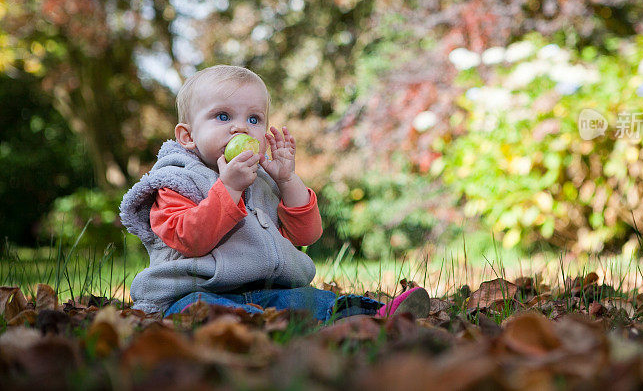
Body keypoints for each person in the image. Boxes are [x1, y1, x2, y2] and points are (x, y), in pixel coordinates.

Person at [119, 65, 430, 320]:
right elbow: (188, 238)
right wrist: (228, 189)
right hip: (197, 290)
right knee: (199, 308)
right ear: (187, 136)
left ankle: (374, 314)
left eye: (253, 119)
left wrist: (287, 180)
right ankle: (251, 319)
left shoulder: (262, 180)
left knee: (310, 298)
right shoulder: (176, 181)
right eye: (223, 116)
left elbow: (306, 234)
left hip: (269, 289)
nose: (240, 128)